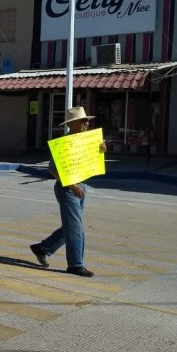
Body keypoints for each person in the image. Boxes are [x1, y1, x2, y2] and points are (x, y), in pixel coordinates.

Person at [29, 106, 107, 277]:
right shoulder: (64, 143)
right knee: (76, 227)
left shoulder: (87, 141)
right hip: (68, 188)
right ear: (72, 123)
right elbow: (52, 169)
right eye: (83, 120)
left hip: (81, 186)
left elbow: (92, 161)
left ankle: (43, 248)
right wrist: (72, 185)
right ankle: (75, 264)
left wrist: (101, 150)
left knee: (71, 226)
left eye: (87, 120)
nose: (87, 123)